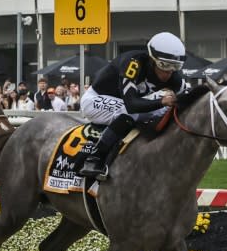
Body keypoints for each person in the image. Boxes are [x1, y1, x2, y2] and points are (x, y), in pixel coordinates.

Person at [79, 31, 186, 180]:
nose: (168, 73)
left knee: (164, 109)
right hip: (96, 99)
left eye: (174, 67)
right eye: (164, 65)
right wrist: (161, 102)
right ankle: (94, 159)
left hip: (126, 102)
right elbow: (132, 105)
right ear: (152, 59)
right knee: (131, 113)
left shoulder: (176, 79)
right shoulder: (133, 63)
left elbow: (185, 101)